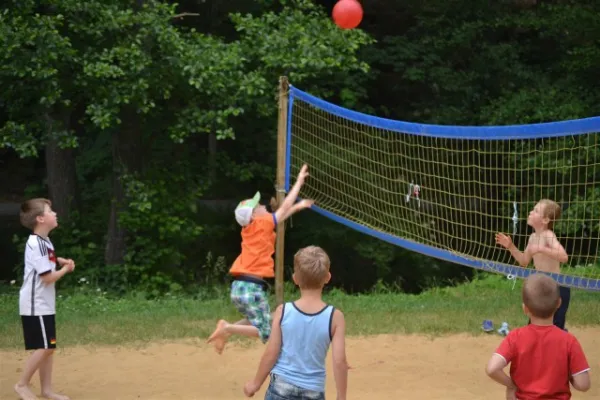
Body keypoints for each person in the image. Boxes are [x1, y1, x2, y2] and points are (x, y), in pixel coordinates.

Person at [207, 164, 314, 354]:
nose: (263, 205)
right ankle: (227, 328)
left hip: (239, 288)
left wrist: (299, 206)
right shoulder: (262, 223)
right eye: (258, 206)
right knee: (266, 332)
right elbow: (284, 207)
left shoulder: (251, 228)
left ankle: (227, 331)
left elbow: (281, 216)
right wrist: (299, 181)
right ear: (255, 216)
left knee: (255, 320)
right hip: (251, 288)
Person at [243, 246, 348, 400]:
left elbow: (271, 353)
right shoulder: (335, 317)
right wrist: (341, 397)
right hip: (313, 392)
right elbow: (339, 361)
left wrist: (255, 384)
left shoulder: (283, 311)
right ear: (327, 277)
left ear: (295, 279)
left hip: (280, 389)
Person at [485, 273, 591, 400]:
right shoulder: (569, 341)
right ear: (559, 303)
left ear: (525, 308)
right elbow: (583, 385)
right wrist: (568, 374)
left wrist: (512, 385)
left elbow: (492, 369)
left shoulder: (515, 337)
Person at [14, 198, 75, 400]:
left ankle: (46, 390)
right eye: (51, 211)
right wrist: (65, 269)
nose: (55, 213)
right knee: (46, 346)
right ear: (40, 218)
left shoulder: (44, 241)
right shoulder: (37, 243)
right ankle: (22, 385)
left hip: (44, 304)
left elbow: (46, 259)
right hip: (35, 305)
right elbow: (47, 278)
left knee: (49, 347)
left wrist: (60, 260)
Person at [496, 199, 570, 329]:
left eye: (535, 211)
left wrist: (542, 249)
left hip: (557, 288)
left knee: (555, 329)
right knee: (536, 326)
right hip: (541, 288)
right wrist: (510, 246)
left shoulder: (548, 235)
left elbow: (564, 257)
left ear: (546, 220)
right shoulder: (532, 237)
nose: (530, 212)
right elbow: (524, 261)